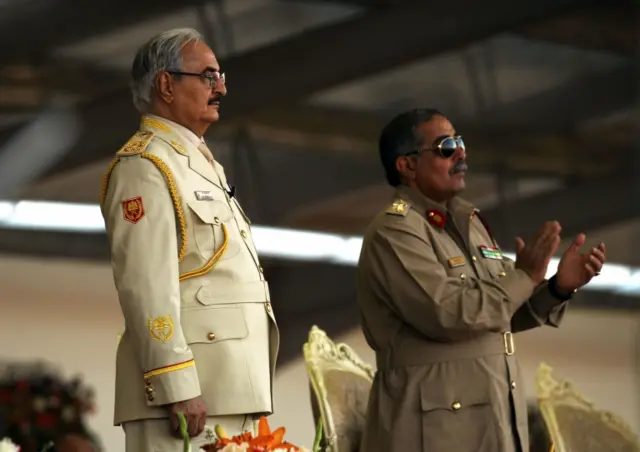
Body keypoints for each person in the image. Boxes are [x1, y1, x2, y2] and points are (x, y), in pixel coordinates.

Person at [356, 108, 606, 452]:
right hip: (432, 429)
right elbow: (451, 313)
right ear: (407, 165)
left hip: (488, 417)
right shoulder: (395, 231)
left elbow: (500, 312)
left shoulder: (467, 222)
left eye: (460, 143)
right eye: (445, 147)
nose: (460, 154)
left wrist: (557, 288)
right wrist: (524, 275)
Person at [100, 28, 279, 451]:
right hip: (188, 394)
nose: (222, 87)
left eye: (221, 75)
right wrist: (174, 382)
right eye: (208, 76)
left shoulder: (195, 161)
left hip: (229, 384)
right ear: (166, 84)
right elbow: (145, 285)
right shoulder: (145, 165)